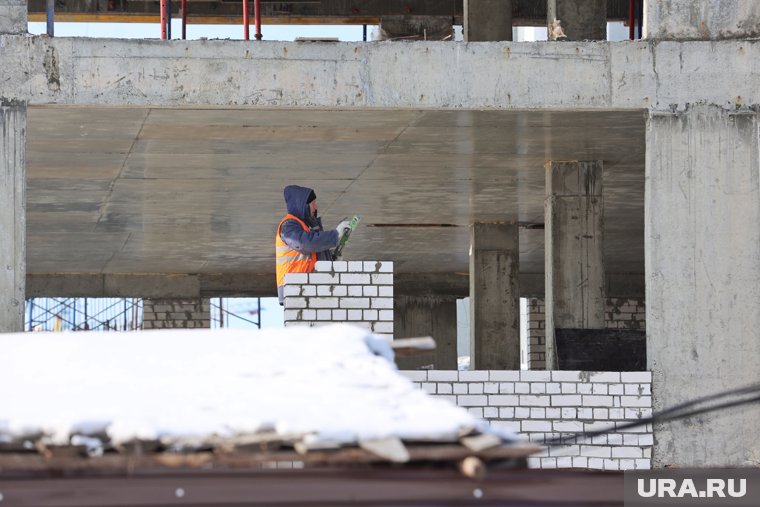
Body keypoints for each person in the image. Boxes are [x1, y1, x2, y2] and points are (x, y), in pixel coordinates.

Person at [276, 185, 350, 305]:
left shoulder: (305, 227)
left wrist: (332, 259)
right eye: (313, 203)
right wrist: (335, 235)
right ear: (302, 204)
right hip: (294, 287)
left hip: (305, 286)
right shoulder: (288, 226)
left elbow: (313, 252)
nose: (316, 207)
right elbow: (305, 244)